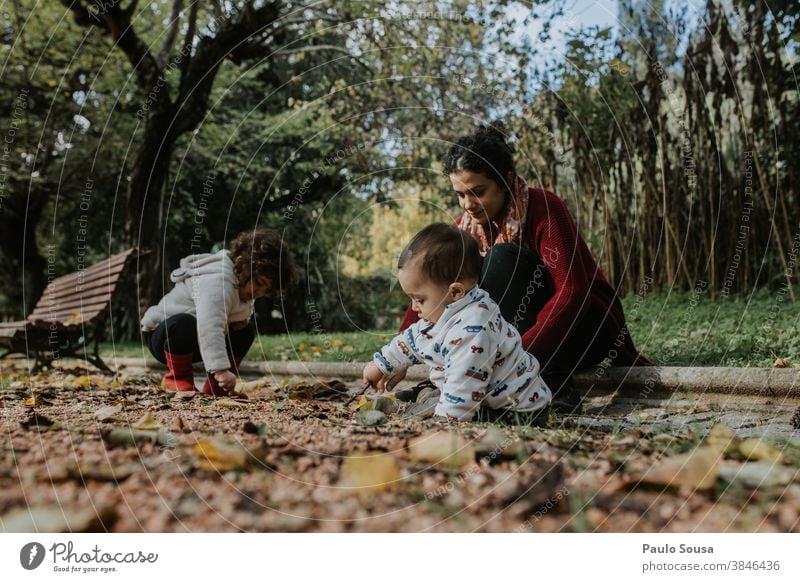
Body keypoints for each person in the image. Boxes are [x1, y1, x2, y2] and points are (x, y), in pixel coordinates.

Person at [398, 123, 651, 413]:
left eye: (478, 192)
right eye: (460, 194)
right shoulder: (463, 231)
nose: (468, 204)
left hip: (582, 330)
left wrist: (515, 358)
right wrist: (397, 355)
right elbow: (429, 286)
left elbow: (572, 293)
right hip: (513, 344)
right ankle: (463, 388)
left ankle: (553, 384)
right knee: (466, 289)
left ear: (505, 181)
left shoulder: (544, 207)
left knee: (503, 258)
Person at [363, 223, 552, 423]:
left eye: (419, 299)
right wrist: (381, 364)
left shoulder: (473, 328)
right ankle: (428, 401)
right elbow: (412, 339)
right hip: (477, 393)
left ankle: (432, 404)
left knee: (459, 407)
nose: (414, 307)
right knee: (446, 397)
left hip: (517, 409)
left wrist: (444, 421)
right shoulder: (447, 310)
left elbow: (465, 381)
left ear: (455, 292)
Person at [141, 229, 295, 397]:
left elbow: (232, 313)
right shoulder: (218, 281)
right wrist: (221, 370)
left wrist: (239, 321)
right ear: (241, 263)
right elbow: (210, 326)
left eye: (266, 290)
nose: (259, 292)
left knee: (245, 332)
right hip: (164, 337)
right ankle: (178, 378)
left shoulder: (242, 284)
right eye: (259, 283)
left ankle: (217, 386)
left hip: (196, 342)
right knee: (185, 324)